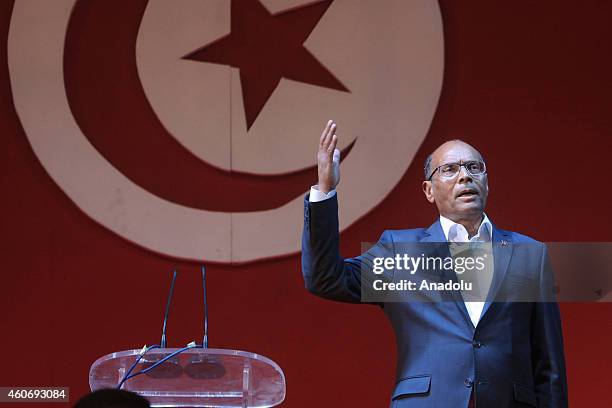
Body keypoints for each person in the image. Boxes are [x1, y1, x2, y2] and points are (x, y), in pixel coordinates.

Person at [301, 120, 568, 407]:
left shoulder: (529, 253)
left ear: (487, 184)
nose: (465, 176)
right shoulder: (399, 252)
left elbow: (549, 364)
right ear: (428, 191)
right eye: (450, 169)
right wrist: (324, 191)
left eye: (474, 168)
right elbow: (326, 278)